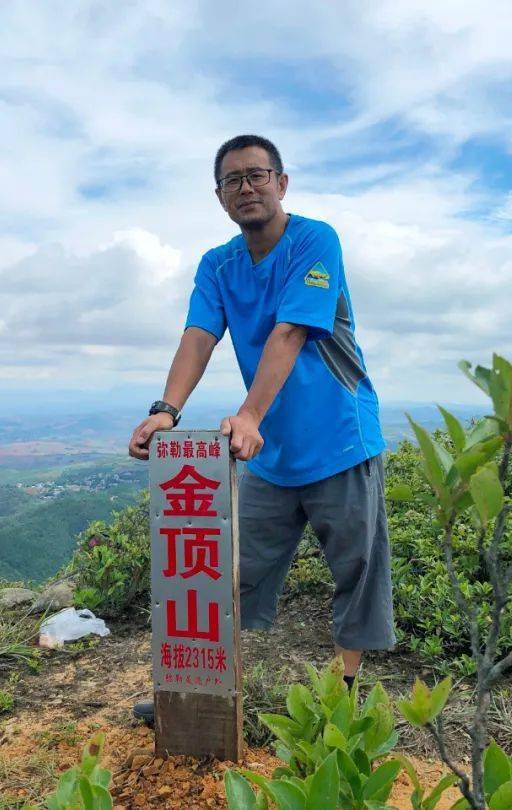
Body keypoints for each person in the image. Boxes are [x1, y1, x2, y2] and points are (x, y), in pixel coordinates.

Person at [127, 134, 394, 724]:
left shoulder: (315, 241)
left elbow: (291, 331)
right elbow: (198, 335)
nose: (246, 188)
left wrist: (249, 415)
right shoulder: (218, 265)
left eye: (257, 175)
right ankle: (203, 691)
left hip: (340, 442)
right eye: (232, 180)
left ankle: (344, 698)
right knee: (229, 574)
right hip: (271, 457)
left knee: (357, 572)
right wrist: (166, 409)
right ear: (219, 196)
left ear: (282, 182)